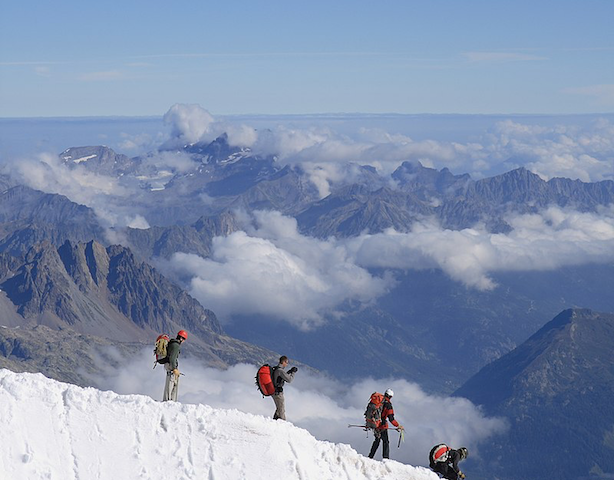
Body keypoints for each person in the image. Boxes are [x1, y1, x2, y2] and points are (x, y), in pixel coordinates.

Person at [368, 388, 404, 459]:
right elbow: (391, 418)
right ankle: (385, 458)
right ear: (391, 397)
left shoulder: (379, 402)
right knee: (386, 442)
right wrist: (398, 425)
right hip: (383, 425)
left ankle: (370, 456)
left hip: (376, 424)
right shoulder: (388, 405)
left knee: (377, 440)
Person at [162, 330, 188, 402]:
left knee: (170, 382)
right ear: (181, 338)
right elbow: (173, 358)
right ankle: (168, 401)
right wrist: (174, 369)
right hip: (171, 366)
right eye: (184, 339)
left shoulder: (172, 343)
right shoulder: (176, 346)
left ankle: (169, 400)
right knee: (171, 383)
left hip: (168, 365)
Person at [271, 355, 297, 420]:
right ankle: (282, 423)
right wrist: (293, 373)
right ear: (284, 362)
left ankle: (274, 421)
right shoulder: (280, 371)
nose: (287, 364)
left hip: (274, 391)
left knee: (279, 408)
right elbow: (289, 380)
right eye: (287, 362)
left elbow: (281, 377)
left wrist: (289, 372)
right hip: (278, 393)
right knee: (281, 409)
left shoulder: (276, 369)